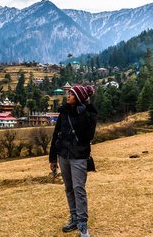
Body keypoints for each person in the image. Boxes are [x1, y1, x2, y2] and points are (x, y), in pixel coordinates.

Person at [49, 85, 98, 237]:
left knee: (79, 189)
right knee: (69, 188)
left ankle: (83, 224)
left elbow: (88, 135)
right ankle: (74, 218)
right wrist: (53, 158)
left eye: (71, 93)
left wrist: (81, 112)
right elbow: (56, 134)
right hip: (63, 155)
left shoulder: (89, 112)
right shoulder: (63, 112)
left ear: (79, 97)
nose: (68, 95)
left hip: (79, 156)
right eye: (68, 93)